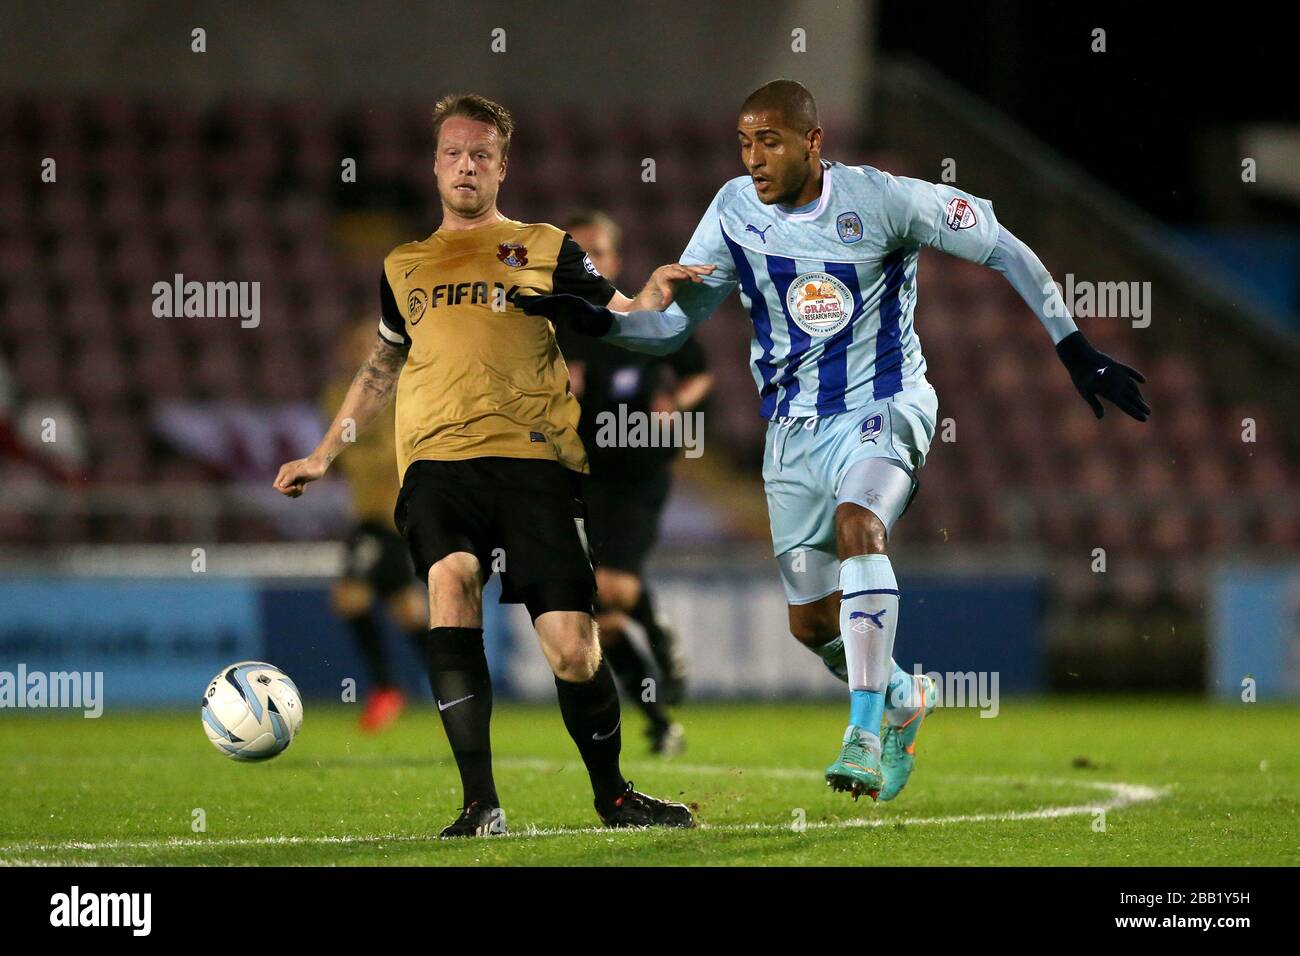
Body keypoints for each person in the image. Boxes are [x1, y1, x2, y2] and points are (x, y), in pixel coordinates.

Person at [520, 79, 1150, 802]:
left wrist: (1074, 346)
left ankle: (862, 732)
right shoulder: (731, 211)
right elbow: (667, 329)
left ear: (814, 142)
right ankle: (905, 695)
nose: (755, 157)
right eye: (745, 142)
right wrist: (593, 318)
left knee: (861, 525)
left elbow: (1003, 246)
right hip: (792, 433)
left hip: (886, 407)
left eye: (771, 141)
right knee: (812, 625)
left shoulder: (882, 199)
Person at [275, 93, 711, 837]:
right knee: (451, 583)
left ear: (502, 166)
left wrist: (656, 298)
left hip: (536, 463)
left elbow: (620, 315)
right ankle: (481, 803)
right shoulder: (403, 266)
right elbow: (381, 366)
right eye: (453, 153)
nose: (466, 165)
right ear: (436, 165)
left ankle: (613, 797)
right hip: (438, 465)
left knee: (574, 649)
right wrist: (325, 452)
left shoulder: (545, 246)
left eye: (481, 154)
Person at [555, 210, 712, 756]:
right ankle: (659, 718)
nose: (591, 261)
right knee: (605, 616)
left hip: (642, 470)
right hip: (590, 474)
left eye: (599, 251)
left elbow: (698, 372)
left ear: (615, 261)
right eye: (581, 253)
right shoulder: (564, 325)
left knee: (612, 589)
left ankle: (659, 629)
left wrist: (675, 402)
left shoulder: (645, 317)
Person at [320, 317, 430, 733]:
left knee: (350, 597)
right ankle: (453, 688)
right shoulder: (336, 396)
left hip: (391, 517)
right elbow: (342, 454)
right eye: (357, 344)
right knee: (406, 609)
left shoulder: (408, 392)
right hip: (370, 514)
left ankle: (387, 687)